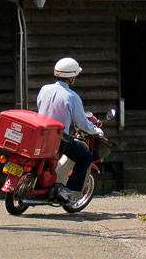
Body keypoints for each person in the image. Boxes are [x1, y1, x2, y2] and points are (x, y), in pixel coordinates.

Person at [36, 57, 103, 203]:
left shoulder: (44, 89)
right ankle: (68, 191)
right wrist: (95, 131)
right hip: (59, 140)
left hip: (40, 136)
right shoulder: (72, 97)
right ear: (72, 77)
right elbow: (82, 123)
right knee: (85, 156)